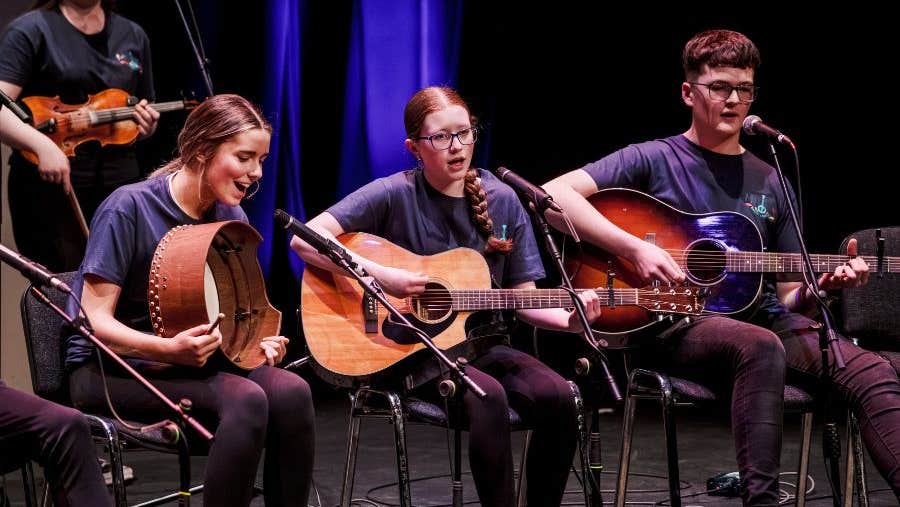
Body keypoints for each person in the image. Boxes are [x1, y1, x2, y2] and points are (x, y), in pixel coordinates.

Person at [543, 29, 900, 504]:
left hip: (764, 320)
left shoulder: (770, 176)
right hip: (674, 325)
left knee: (871, 371)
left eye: (744, 90)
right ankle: (762, 499)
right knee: (759, 346)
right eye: (719, 88)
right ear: (689, 92)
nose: (733, 100)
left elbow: (792, 293)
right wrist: (635, 249)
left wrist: (826, 287)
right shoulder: (653, 158)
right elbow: (550, 196)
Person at [292, 86, 601, 507]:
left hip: (482, 348)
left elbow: (522, 299)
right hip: (408, 352)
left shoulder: (503, 199)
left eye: (464, 133)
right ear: (414, 148)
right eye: (440, 137)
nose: (456, 147)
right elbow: (305, 239)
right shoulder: (393, 192)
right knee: (486, 396)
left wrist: (569, 319)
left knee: (560, 397)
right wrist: (382, 278)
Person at [64, 94, 314, 506]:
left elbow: (230, 323)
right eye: (245, 157)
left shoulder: (231, 219)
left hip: (189, 361)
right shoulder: (129, 208)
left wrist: (255, 346)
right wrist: (168, 349)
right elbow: (93, 324)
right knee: (248, 399)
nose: (256, 172)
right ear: (202, 150)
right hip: (111, 368)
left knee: (291, 392)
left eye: (262, 160)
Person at [0, 0, 159, 272]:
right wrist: (41, 145)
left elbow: (144, 112)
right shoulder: (30, 30)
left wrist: (147, 125)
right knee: (65, 290)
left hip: (119, 190)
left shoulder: (133, 34)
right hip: (51, 192)